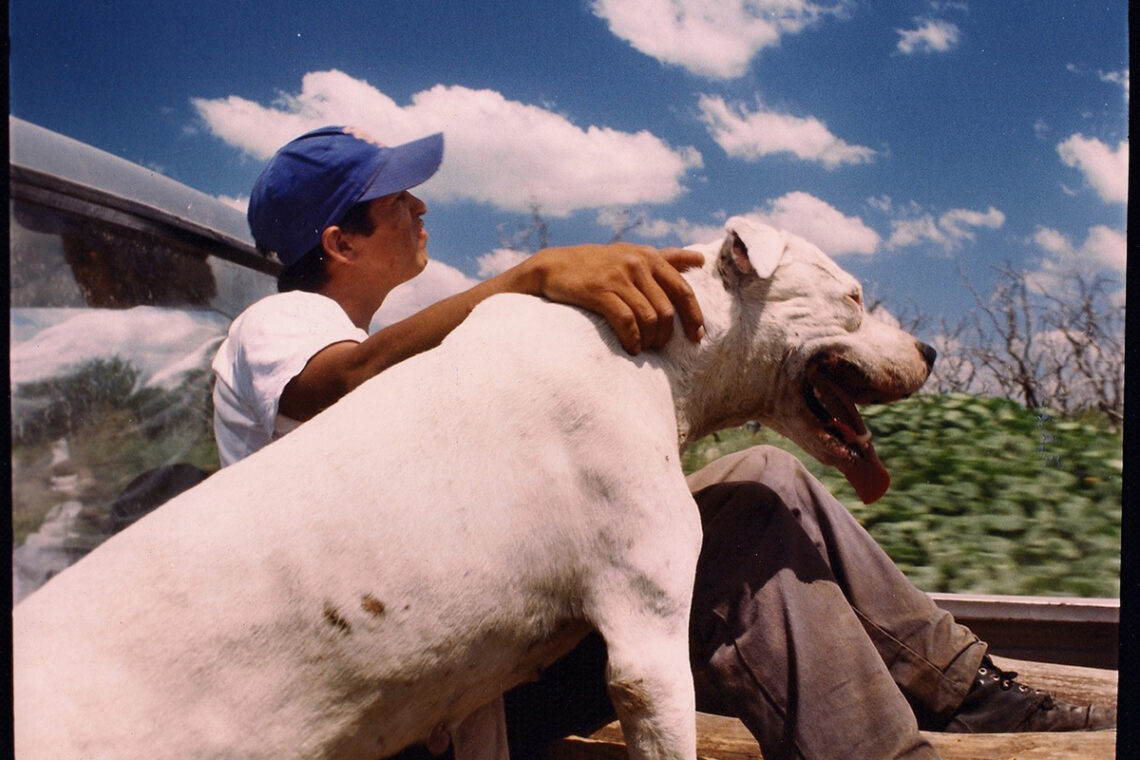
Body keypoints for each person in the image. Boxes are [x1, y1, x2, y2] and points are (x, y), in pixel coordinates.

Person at [212, 126, 1115, 760]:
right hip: (402, 713)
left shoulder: (396, 336)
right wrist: (530, 273)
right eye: (392, 198)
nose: (418, 206)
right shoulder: (281, 323)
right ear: (338, 239)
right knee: (750, 530)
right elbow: (339, 382)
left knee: (764, 473)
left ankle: (959, 686)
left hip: (477, 666)